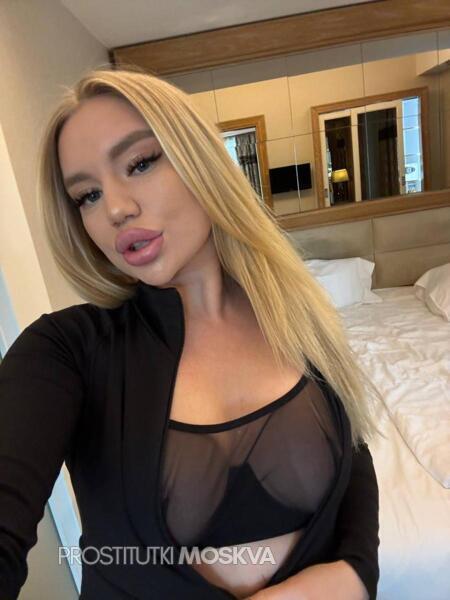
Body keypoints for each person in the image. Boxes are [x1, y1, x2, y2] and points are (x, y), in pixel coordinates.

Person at [0, 65, 382, 600]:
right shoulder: (65, 350)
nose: (115, 209)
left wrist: (357, 572)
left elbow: (353, 451)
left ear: (200, 161)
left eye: (140, 163)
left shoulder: (294, 315)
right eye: (87, 195)